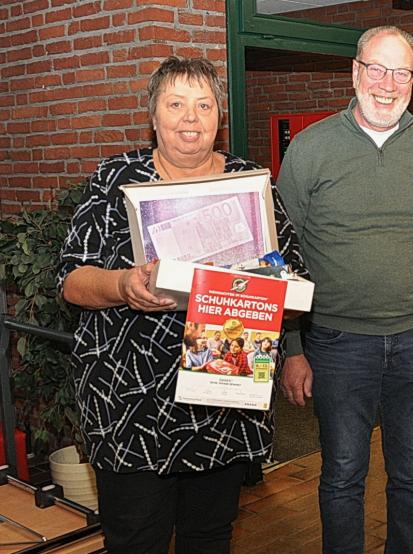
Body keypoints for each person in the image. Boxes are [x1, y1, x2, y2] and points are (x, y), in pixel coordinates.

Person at [58, 56, 307, 553]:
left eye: (203, 104)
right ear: (153, 115)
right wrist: (124, 284)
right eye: (176, 104)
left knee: (209, 537)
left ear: (220, 116)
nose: (190, 118)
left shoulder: (251, 183)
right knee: (134, 540)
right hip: (129, 402)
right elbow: (71, 279)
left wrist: (271, 290)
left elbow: (293, 282)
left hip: (222, 395)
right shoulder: (115, 179)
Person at [276, 25, 413, 553]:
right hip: (336, 343)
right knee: (343, 474)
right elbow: (284, 257)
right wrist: (293, 349)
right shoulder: (310, 149)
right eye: (376, 68)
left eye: (401, 72)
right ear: (355, 72)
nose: (387, 83)